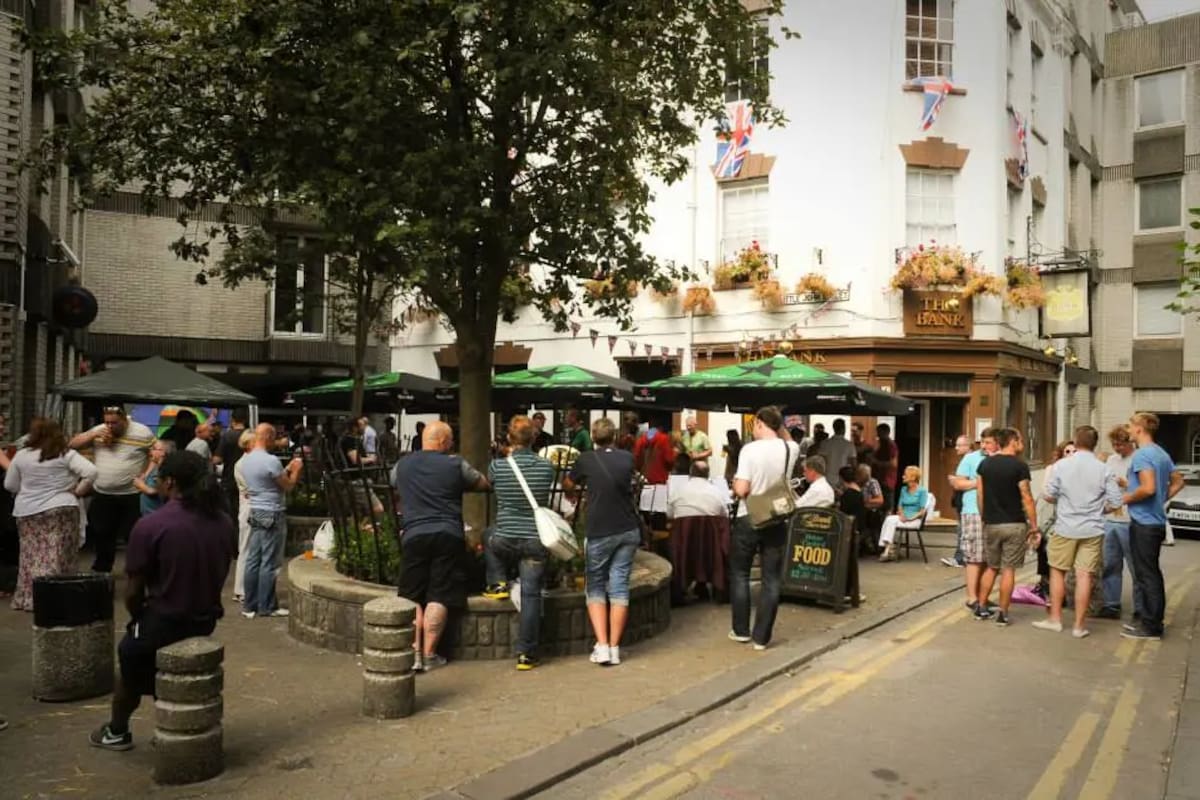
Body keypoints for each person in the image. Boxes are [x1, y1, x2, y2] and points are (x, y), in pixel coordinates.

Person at [88, 450, 234, 752]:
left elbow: (133, 591)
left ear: (169, 482)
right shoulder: (223, 522)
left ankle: (117, 730)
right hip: (204, 619)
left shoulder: (152, 525)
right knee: (153, 661)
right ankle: (171, 721)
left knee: (129, 660)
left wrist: (137, 613)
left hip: (164, 618)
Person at [391, 421, 489, 671]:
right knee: (440, 594)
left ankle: (413, 653)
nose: (453, 443)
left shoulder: (403, 464)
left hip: (414, 534)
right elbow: (482, 483)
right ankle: (430, 654)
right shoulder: (455, 464)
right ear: (444, 442)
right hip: (448, 534)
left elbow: (394, 482)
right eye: (451, 439)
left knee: (411, 595)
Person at [565, 418, 643, 666]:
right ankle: (615, 646)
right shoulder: (627, 458)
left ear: (593, 436)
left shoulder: (586, 459)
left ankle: (602, 645)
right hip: (628, 528)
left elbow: (568, 483)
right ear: (615, 436)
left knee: (596, 585)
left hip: (599, 529)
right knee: (619, 585)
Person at [481, 416, 556, 670]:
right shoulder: (546, 468)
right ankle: (526, 654)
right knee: (531, 595)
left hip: (504, 539)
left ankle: (498, 581)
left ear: (509, 439)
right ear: (534, 437)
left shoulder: (497, 467)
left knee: (488, 534)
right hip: (535, 540)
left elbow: (489, 485)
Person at [1034, 426, 1121, 639]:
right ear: (1095, 443)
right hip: (1093, 528)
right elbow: (1117, 501)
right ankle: (1079, 626)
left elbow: (1048, 494)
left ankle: (1055, 619)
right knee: (1085, 576)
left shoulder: (1062, 466)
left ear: (1076, 440)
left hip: (1065, 527)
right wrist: (1100, 509)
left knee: (1057, 571)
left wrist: (1063, 501)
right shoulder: (1104, 468)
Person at [4, 418, 98, 611]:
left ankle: (29, 598)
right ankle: (58, 598)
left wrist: (31, 489)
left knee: (31, 555)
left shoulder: (22, 455)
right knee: (59, 554)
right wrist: (79, 490)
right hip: (61, 508)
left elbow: (10, 485)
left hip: (28, 511)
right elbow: (91, 471)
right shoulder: (66, 454)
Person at [729, 406, 802, 651]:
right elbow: (787, 438)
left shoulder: (749, 450)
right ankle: (761, 638)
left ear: (760, 423)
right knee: (772, 579)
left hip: (748, 516)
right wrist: (779, 425)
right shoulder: (790, 448)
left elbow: (741, 490)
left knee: (740, 573)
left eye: (754, 424)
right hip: (777, 517)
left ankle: (741, 631)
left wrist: (735, 483)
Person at [69, 404, 156, 573]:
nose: (109, 426)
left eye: (114, 423)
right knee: (102, 534)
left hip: (131, 494)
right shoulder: (99, 430)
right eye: (107, 422)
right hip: (103, 494)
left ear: (125, 419)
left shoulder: (142, 432)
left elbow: (156, 452)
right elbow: (72, 445)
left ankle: (135, 570)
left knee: (133, 535)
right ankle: (102, 570)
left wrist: (146, 473)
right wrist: (93, 434)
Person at [1120, 412, 1184, 640]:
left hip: (1144, 523)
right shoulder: (1160, 453)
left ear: (1139, 428)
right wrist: (1162, 499)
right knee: (1150, 573)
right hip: (1154, 521)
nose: (1127, 429)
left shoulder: (1142, 455)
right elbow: (1178, 480)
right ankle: (1149, 621)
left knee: (1147, 575)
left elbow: (1147, 488)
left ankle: (1151, 627)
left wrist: (1124, 499)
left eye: (1130, 425)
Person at [975, 428, 1041, 626]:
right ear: (1012, 441)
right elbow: (1027, 497)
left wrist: (984, 517)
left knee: (992, 567)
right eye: (1020, 439)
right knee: (1009, 569)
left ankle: (981, 606)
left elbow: (980, 494)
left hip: (991, 523)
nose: (1022, 442)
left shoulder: (984, 464)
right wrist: (1034, 525)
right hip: (1014, 523)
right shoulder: (1019, 466)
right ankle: (1003, 613)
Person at [240, 424, 304, 620]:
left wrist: (286, 469)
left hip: (257, 509)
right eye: (274, 437)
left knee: (253, 558)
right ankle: (266, 606)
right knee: (269, 561)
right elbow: (288, 486)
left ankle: (249, 604)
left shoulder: (246, 460)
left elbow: (266, 482)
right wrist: (296, 470)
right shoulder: (271, 460)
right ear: (266, 436)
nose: (275, 441)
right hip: (272, 511)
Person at [1099, 425, 1139, 621]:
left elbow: (1147, 488)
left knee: (1136, 566)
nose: (1117, 448)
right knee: (1110, 564)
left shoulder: (1138, 459)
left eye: (1120, 444)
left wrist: (1127, 485)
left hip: (1130, 519)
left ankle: (1140, 608)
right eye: (1114, 444)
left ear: (1130, 442)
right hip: (1110, 518)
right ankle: (1111, 604)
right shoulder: (1111, 460)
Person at [947, 433, 989, 610]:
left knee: (987, 558)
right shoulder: (970, 459)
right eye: (985, 442)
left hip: (993, 514)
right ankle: (972, 598)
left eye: (991, 442)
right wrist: (979, 483)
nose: (987, 446)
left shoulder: (998, 458)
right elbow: (958, 484)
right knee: (973, 557)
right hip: (972, 511)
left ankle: (982, 597)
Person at [877, 466, 928, 562]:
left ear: (913, 477)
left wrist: (910, 518)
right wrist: (902, 515)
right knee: (889, 519)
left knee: (890, 520)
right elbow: (900, 506)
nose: (903, 476)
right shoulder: (904, 489)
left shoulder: (922, 491)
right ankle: (888, 548)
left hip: (915, 519)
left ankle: (887, 549)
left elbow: (922, 511)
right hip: (903, 517)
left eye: (905, 475)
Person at [231, 429, 256, 603]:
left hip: (250, 507)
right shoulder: (242, 464)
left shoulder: (249, 462)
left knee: (249, 549)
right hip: (249, 509)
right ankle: (241, 590)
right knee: (246, 548)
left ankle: (245, 588)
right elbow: (251, 489)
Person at [214, 409, 248, 519]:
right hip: (246, 479)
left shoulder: (226, 436)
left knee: (229, 512)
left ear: (232, 420)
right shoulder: (251, 436)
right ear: (246, 419)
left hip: (229, 478)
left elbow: (217, 459)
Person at [133, 440, 174, 517]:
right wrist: (143, 479)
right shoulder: (156, 466)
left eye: (154, 449)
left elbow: (154, 491)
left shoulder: (164, 470)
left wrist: (141, 485)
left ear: (163, 453)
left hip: (157, 515)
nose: (151, 451)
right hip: (148, 514)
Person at [634, 421, 676, 487]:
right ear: (661, 428)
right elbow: (669, 460)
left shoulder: (640, 441)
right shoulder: (664, 439)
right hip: (660, 482)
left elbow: (636, 461)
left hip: (644, 482)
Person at [817, 419, 856, 490]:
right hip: (843, 479)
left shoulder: (825, 443)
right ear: (844, 429)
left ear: (834, 428)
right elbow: (853, 463)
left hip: (828, 478)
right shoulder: (849, 445)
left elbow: (821, 462)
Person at [872, 423, 900, 511]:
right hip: (880, 479)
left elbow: (893, 464)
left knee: (887, 506)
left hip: (887, 480)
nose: (877, 435)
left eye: (879, 433)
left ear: (885, 432)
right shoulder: (880, 444)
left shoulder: (890, 445)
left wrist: (877, 462)